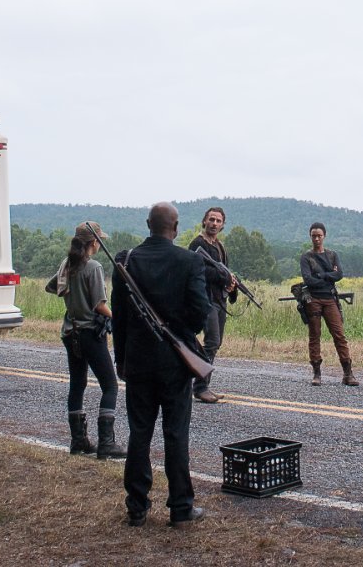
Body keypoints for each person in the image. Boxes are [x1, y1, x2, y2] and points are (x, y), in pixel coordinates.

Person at [111, 202, 210, 527]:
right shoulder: (189, 261)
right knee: (175, 434)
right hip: (174, 363)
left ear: (147, 225)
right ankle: (181, 507)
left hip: (138, 361)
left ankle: (137, 507)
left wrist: (121, 359)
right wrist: (179, 332)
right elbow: (200, 312)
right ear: (176, 227)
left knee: (140, 433)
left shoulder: (125, 261)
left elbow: (120, 319)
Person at [44, 221, 126, 460]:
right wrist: (119, 319)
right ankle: (106, 444)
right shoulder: (94, 267)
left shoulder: (66, 265)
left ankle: (78, 441)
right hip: (91, 333)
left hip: (71, 333)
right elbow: (99, 305)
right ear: (94, 243)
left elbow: (52, 287)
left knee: (77, 385)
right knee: (110, 385)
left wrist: (71, 294)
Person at [298, 222, 358, 386]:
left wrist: (321, 275)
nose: (316, 239)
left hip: (330, 299)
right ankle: (316, 373)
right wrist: (328, 276)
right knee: (314, 336)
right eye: (313, 236)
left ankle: (348, 373)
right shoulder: (306, 257)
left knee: (339, 335)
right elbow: (308, 280)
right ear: (310, 237)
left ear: (324, 236)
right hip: (313, 300)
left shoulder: (332, 255)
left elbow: (339, 274)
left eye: (319, 236)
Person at [188, 205, 237, 403]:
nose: (214, 223)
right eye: (211, 219)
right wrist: (222, 276)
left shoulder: (220, 246)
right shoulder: (197, 244)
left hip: (219, 300)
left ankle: (201, 384)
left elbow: (223, 271)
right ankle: (200, 386)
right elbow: (197, 270)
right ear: (204, 221)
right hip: (205, 300)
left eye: (218, 221)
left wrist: (231, 285)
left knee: (214, 344)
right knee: (212, 342)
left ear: (223, 225)